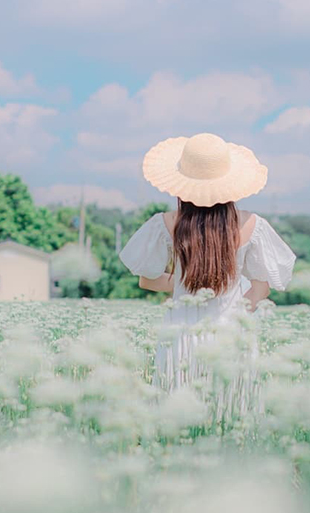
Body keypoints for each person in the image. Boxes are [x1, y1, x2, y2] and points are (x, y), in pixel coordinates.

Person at [119, 133, 296, 412]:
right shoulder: (252, 224)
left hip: (181, 334)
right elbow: (262, 287)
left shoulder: (166, 223)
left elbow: (147, 280)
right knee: (231, 414)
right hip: (231, 335)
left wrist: (183, 284)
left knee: (179, 416)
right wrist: (235, 317)